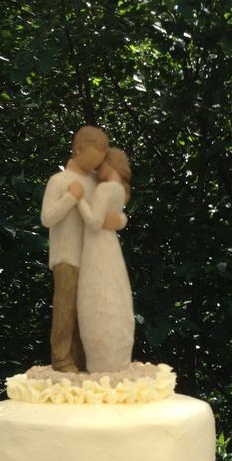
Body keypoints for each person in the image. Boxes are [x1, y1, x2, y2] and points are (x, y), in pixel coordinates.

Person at [40, 127, 124, 373]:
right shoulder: (59, 181)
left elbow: (114, 210)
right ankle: (63, 358)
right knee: (66, 307)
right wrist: (70, 198)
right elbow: (47, 217)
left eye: (101, 157)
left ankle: (85, 356)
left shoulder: (97, 183)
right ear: (78, 149)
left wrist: (119, 221)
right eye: (94, 155)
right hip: (67, 255)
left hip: (94, 258)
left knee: (89, 309)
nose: (98, 161)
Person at [75, 148, 135, 373]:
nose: (96, 169)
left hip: (97, 245)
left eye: (100, 165)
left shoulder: (105, 189)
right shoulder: (119, 190)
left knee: (98, 294)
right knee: (115, 290)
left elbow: (93, 222)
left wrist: (78, 198)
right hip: (110, 245)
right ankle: (117, 359)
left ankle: (102, 363)